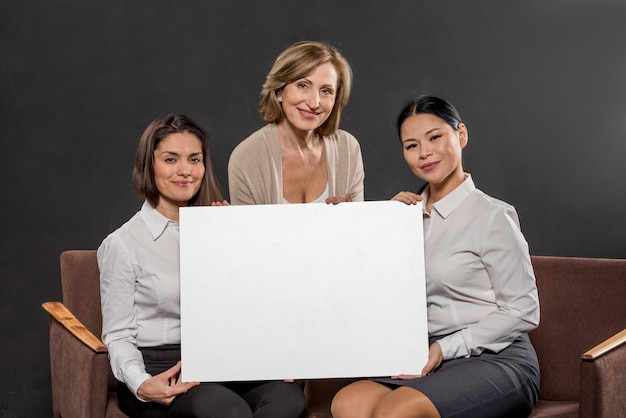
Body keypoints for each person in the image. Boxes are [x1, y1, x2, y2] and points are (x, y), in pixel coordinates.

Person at [331, 96, 540, 418]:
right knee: (347, 403)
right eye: (411, 145)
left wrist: (444, 348)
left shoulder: (492, 216)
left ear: (461, 135)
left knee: (396, 411)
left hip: (493, 356)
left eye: (435, 137)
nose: (424, 152)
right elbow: (373, 292)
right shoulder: (401, 217)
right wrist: (360, 226)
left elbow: (525, 310)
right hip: (420, 352)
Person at [97, 114, 305, 418]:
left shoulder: (218, 229)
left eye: (194, 159)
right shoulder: (124, 243)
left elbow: (250, 303)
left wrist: (233, 241)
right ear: (149, 165)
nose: (185, 171)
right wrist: (141, 384)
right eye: (171, 159)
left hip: (222, 361)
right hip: (163, 368)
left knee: (287, 398)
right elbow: (118, 335)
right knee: (228, 411)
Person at [228, 40, 364, 205]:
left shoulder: (347, 149)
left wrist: (380, 213)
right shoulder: (247, 158)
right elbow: (247, 231)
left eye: (326, 91)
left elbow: (358, 229)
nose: (314, 103)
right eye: (303, 85)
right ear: (279, 90)